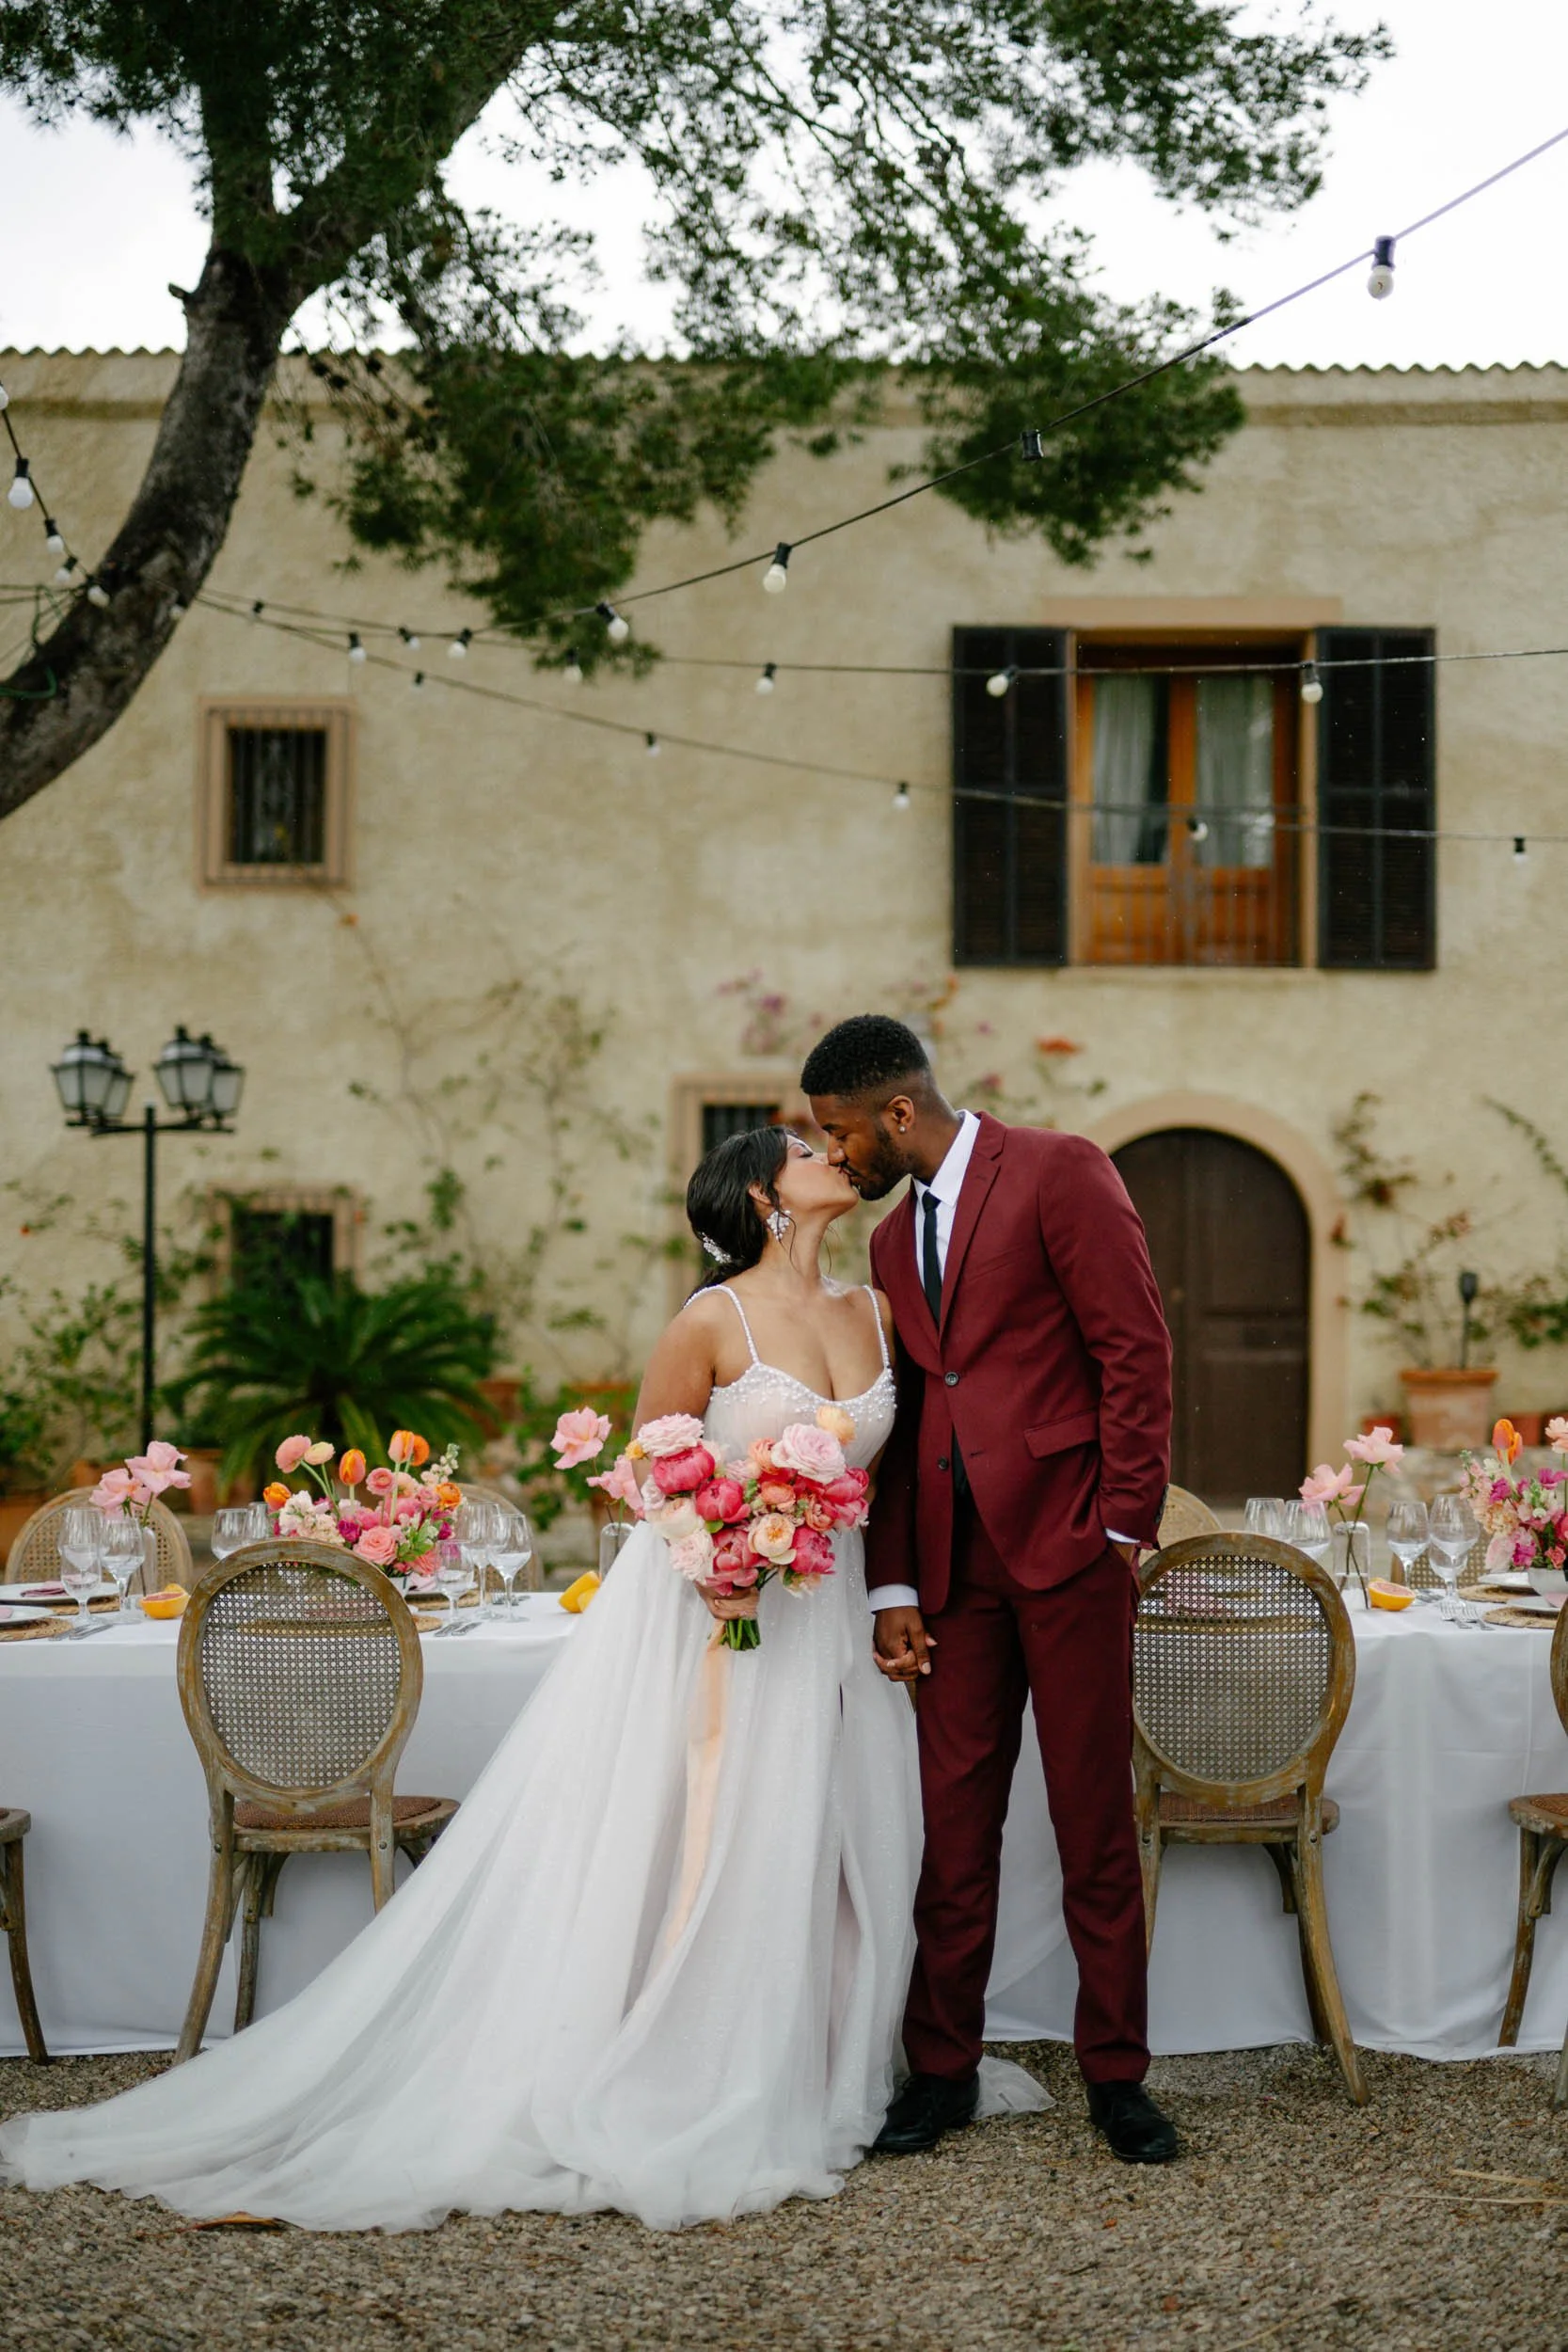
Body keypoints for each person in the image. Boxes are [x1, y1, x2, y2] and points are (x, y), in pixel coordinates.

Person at [0, 1128, 1041, 2233]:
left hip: (830, 1614)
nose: (829, 1151)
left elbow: (912, 1472)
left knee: (845, 1831)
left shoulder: (876, 1309)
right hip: (719, 1616)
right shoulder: (710, 1320)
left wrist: (897, 1595)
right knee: (724, 1826)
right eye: (800, 1145)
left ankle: (831, 2064)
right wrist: (721, 1556)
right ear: (759, 1192)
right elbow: (647, 1470)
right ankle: (696, 2068)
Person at [802, 1016, 1179, 2166]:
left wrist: (1119, 1528)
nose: (834, 1154)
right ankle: (942, 2071)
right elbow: (913, 1412)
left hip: (1070, 1553)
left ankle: (1117, 2077)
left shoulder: (1062, 1172)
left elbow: (1135, 1354)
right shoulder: (880, 1248)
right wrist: (895, 1581)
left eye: (838, 1132)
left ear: (896, 1114)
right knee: (950, 1831)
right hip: (952, 1577)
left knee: (1089, 1826)